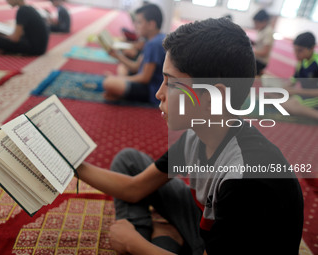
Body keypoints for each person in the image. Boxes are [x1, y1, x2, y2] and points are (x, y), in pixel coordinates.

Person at [76, 18, 304, 255]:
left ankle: (158, 238)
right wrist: (73, 164)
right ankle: (162, 237)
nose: (158, 93)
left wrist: (134, 245)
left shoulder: (247, 180)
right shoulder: (198, 134)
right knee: (128, 160)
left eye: (171, 83)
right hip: (207, 224)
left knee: (135, 239)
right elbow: (135, 188)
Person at [103, 4, 165, 105]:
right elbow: (136, 67)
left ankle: (119, 92)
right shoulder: (153, 40)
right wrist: (118, 56)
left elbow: (144, 78)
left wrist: (119, 79)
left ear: (151, 24)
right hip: (147, 82)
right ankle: (119, 91)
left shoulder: (154, 44)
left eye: (139, 22)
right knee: (122, 68)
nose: (135, 25)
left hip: (152, 90)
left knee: (109, 83)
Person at [281, 32, 318, 120]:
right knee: (273, 93)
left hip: (315, 97)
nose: (296, 54)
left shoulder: (316, 64)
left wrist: (296, 91)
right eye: (295, 50)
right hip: (305, 94)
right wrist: (283, 89)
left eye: (300, 50)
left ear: (312, 48)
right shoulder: (301, 62)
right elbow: (292, 81)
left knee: (290, 105)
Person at [252, 9, 274, 76]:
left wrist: (250, 52)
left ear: (264, 21)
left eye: (256, 23)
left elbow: (265, 52)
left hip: (261, 61)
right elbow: (259, 43)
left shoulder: (268, 32)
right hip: (257, 58)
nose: (255, 25)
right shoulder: (261, 29)